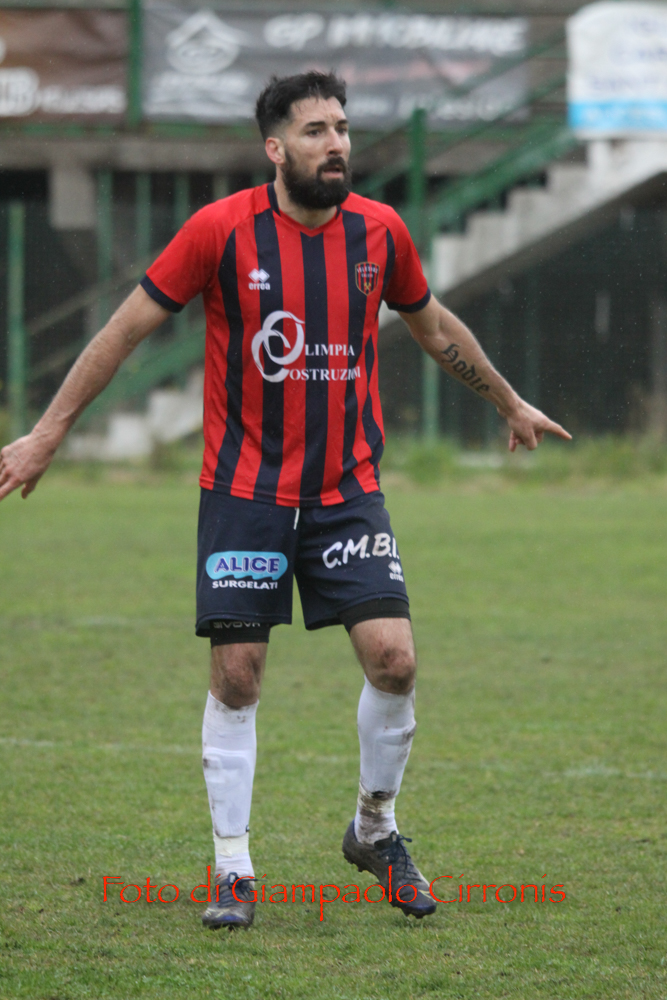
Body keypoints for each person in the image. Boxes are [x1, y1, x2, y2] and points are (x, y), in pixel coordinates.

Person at [0, 71, 571, 931]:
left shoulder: (380, 232)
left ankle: (373, 830)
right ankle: (232, 867)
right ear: (274, 148)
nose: (335, 144)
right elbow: (123, 331)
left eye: (341, 127)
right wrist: (48, 433)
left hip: (347, 492)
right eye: (314, 131)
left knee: (395, 662)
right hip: (245, 494)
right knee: (237, 676)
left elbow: (433, 327)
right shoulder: (219, 231)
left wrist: (507, 401)